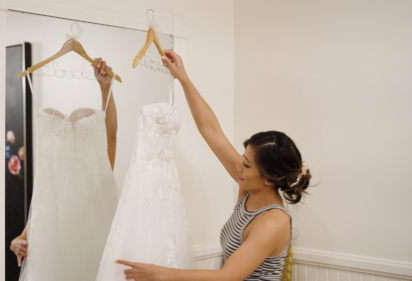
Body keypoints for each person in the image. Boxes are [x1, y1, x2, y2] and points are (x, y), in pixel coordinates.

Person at [115, 50, 311, 281]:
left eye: (246, 165)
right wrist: (183, 78)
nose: (239, 167)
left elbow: (227, 276)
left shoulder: (272, 222)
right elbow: (211, 131)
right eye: (243, 159)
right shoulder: (249, 186)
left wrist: (159, 273)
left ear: (268, 178)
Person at [10, 58, 118, 267]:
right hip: (52, 260)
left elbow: (111, 134)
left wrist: (106, 89)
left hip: (96, 254)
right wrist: (19, 239)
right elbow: (40, 211)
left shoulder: (100, 171)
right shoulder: (52, 176)